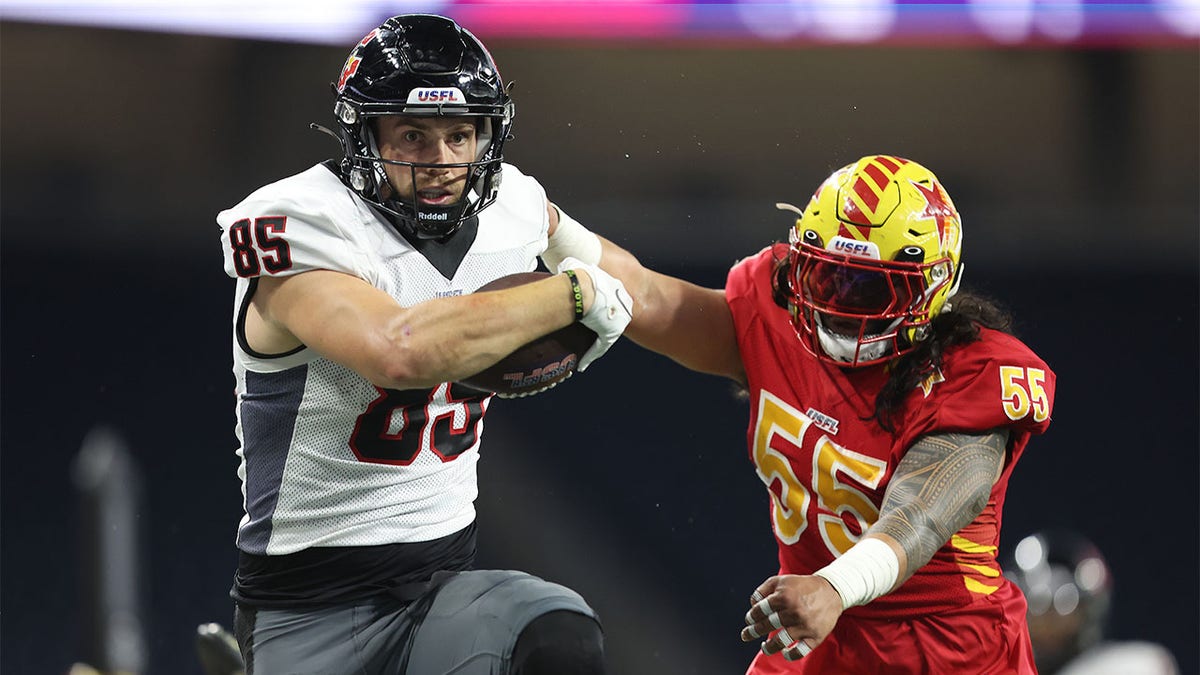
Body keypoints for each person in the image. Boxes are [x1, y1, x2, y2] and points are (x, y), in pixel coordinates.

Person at [215, 14, 631, 675]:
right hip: (308, 610)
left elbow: (632, 286)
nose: (441, 161)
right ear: (365, 134)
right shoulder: (303, 222)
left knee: (560, 637)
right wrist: (571, 296)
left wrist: (743, 321)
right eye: (413, 135)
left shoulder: (514, 210)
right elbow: (398, 352)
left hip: (441, 589)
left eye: (460, 135)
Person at [541, 154, 1057, 673]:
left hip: (948, 651)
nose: (841, 305)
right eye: (829, 278)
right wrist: (547, 226)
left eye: (871, 288)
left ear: (931, 287)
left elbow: (919, 516)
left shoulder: (971, 374)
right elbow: (646, 294)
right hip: (817, 635)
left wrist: (835, 586)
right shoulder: (777, 315)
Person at [1003, 530, 1180, 675]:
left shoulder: (1129, 665)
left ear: (1087, 613)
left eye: (1061, 611)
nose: (1047, 628)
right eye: (1036, 613)